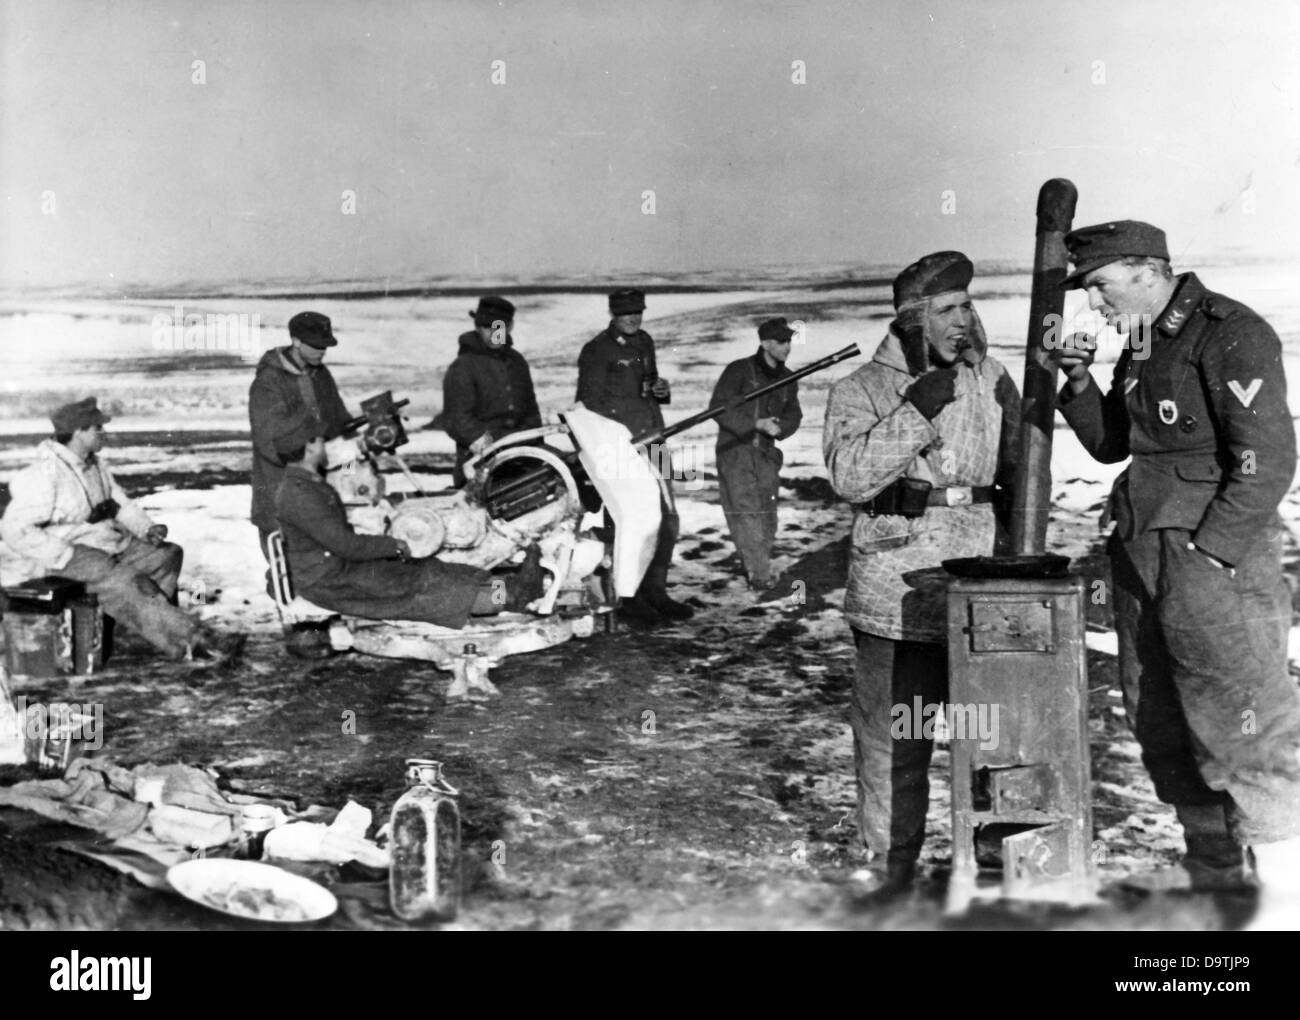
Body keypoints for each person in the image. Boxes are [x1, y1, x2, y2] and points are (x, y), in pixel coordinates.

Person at [1049, 219, 1300, 927]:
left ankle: (1282, 911)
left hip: (1212, 565)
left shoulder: (1229, 331)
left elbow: (1267, 462)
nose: (1095, 304)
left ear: (1147, 269)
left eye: (1100, 286)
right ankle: (1219, 899)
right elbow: (1115, 446)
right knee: (1162, 724)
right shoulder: (1141, 339)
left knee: (1244, 731)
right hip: (1142, 557)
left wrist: (1212, 554)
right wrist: (1076, 380)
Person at [823, 252, 1020, 897]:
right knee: (894, 744)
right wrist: (914, 414)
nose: (964, 320)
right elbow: (850, 477)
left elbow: (1023, 474)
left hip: (982, 586)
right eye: (946, 310)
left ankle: (992, 868)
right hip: (895, 585)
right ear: (912, 322)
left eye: (967, 305)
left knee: (992, 738)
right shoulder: (859, 389)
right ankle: (891, 871)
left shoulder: (993, 378)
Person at [1, 398, 243, 664]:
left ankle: (151, 630)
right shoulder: (45, 475)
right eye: (97, 428)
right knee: (129, 582)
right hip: (73, 557)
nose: (104, 433)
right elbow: (13, 528)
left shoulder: (95, 466)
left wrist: (146, 528)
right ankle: (196, 640)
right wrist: (63, 553)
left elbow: (119, 504)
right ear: (78, 431)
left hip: (110, 544)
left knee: (166, 555)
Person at [273, 424, 545, 629]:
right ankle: (511, 597)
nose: (325, 446)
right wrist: (395, 546)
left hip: (337, 570)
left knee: (430, 569)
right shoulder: (300, 493)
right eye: (320, 441)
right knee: (425, 588)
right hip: (332, 581)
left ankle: (511, 587)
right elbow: (345, 545)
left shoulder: (305, 484)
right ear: (309, 447)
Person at [576, 288, 693, 623]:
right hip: (622, 448)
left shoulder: (645, 342)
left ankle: (655, 591)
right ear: (613, 313)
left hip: (654, 439)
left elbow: (649, 385)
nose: (633, 319)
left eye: (638, 312)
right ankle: (628, 596)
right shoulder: (597, 351)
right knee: (630, 521)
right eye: (626, 313)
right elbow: (589, 406)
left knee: (667, 519)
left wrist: (661, 390)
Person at [248, 311, 353, 557]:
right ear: (296, 341)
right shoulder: (268, 383)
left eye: (326, 346)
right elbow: (271, 444)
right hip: (281, 489)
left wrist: (349, 470)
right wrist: (312, 431)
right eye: (316, 346)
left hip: (319, 488)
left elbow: (340, 423)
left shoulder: (321, 374)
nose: (322, 351)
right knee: (286, 567)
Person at [709, 317, 803, 589]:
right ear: (764, 343)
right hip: (736, 452)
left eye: (789, 341)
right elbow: (719, 408)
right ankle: (759, 573)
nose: (787, 347)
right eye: (781, 341)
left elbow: (793, 413)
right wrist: (755, 424)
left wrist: (781, 428)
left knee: (767, 513)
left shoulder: (788, 378)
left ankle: (757, 562)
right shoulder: (739, 370)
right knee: (746, 510)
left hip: (766, 454)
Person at [437, 296, 542, 487]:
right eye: (487, 327)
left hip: (522, 457)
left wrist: (534, 443)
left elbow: (531, 411)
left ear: (510, 327)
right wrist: (488, 444)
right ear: (478, 328)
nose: (493, 333)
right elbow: (456, 419)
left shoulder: (517, 363)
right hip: (480, 461)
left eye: (498, 327)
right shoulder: (463, 366)